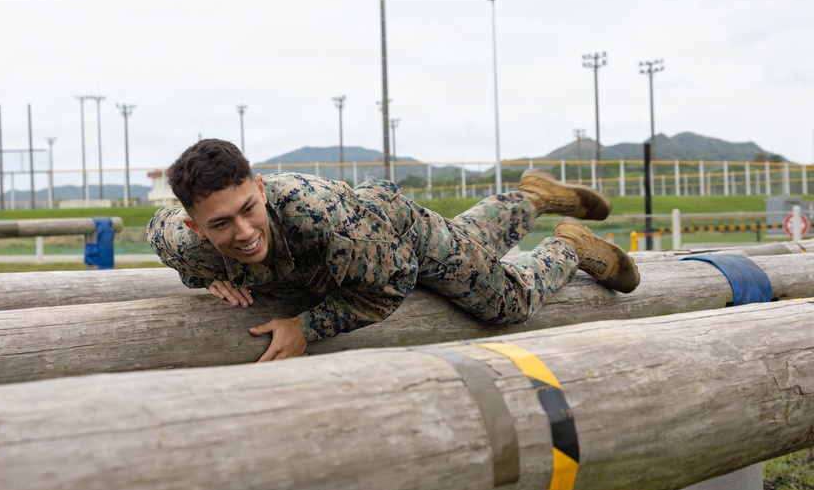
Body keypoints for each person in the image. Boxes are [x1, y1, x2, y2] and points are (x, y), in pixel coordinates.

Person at [148, 139, 639, 361]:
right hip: (358, 247)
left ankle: (568, 246)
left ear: (259, 186)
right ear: (196, 227)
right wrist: (207, 276)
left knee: (506, 303)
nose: (243, 232)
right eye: (221, 224)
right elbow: (160, 231)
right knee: (472, 242)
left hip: (398, 237)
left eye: (248, 209)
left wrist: (306, 327)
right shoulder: (183, 241)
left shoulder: (320, 218)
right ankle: (533, 196)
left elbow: (391, 283)